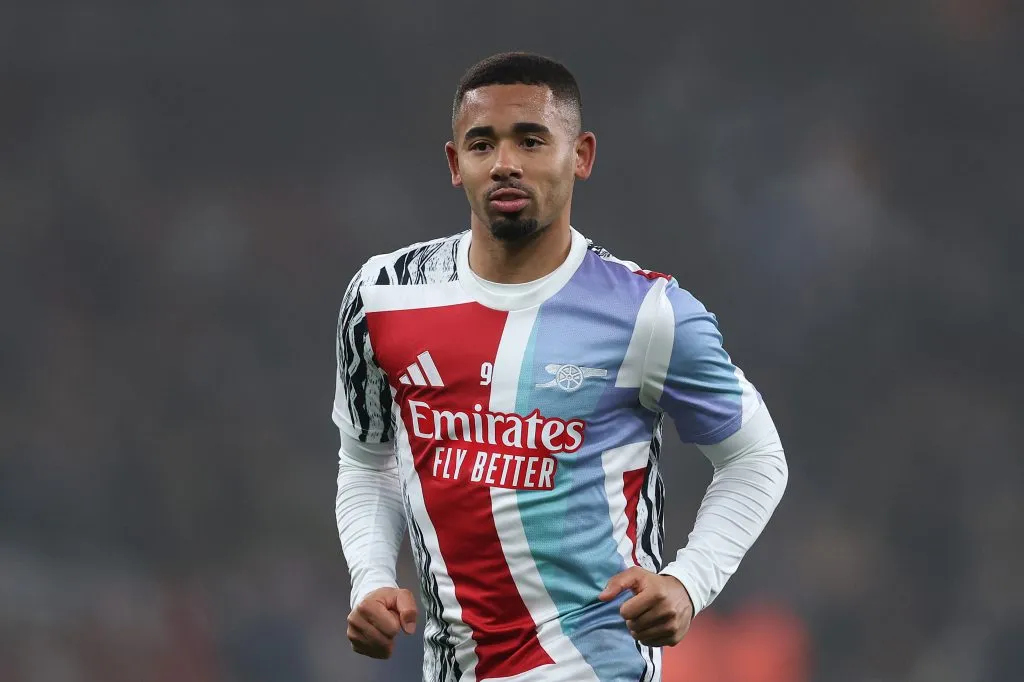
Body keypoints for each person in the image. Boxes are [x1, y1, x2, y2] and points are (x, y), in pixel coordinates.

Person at [333, 51, 789, 682]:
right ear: (455, 164)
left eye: (531, 140)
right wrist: (371, 578)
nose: (505, 163)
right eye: (483, 144)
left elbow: (756, 457)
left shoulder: (648, 312)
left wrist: (688, 583)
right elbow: (367, 460)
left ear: (581, 155)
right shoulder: (385, 295)